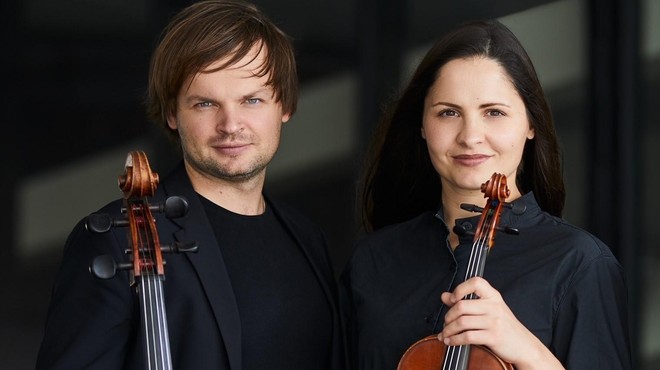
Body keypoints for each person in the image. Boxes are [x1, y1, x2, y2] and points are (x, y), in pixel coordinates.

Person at [36, 1, 346, 369]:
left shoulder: (307, 239)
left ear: (285, 105)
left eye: (251, 100)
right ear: (171, 113)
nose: (230, 124)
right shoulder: (111, 241)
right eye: (204, 104)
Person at [340, 19, 632, 370]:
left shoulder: (580, 265)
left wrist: (529, 351)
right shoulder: (373, 261)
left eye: (494, 112)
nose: (470, 136)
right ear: (422, 125)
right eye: (448, 113)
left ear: (530, 125)